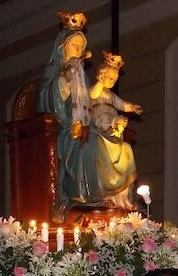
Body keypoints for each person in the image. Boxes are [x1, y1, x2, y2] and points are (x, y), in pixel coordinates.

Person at [38, 11, 141, 220]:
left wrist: (112, 121)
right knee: (89, 139)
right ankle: (88, 195)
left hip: (87, 124)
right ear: (62, 46)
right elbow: (45, 101)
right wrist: (66, 78)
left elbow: (92, 104)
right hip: (65, 129)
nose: (78, 50)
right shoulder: (53, 70)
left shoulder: (83, 75)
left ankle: (116, 197)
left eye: (81, 46)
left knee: (121, 145)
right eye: (74, 45)